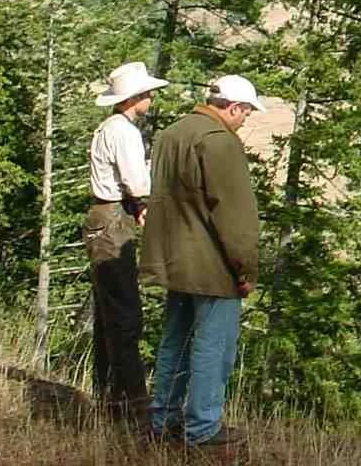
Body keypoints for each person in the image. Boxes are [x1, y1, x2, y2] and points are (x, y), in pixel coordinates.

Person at [140, 74, 265, 451]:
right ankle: (202, 430)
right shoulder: (220, 142)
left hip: (174, 259)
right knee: (214, 348)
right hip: (213, 266)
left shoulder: (171, 134)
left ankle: (162, 420)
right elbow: (235, 215)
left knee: (174, 343)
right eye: (246, 113)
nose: (245, 120)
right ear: (233, 108)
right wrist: (245, 269)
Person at [84, 60, 169, 429]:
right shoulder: (125, 133)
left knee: (109, 312)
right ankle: (132, 402)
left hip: (105, 217)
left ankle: (110, 396)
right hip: (112, 220)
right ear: (135, 98)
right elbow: (138, 182)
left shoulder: (110, 128)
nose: (150, 97)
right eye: (146, 93)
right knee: (124, 313)